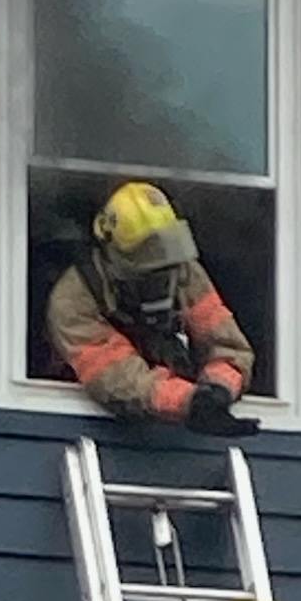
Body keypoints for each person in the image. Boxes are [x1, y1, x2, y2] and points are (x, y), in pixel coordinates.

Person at [46, 181, 256, 431]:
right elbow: (119, 378)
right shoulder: (73, 300)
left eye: (166, 261)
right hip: (96, 427)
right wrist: (189, 402)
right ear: (114, 256)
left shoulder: (184, 271)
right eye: (149, 267)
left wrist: (219, 390)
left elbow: (228, 346)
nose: (163, 278)